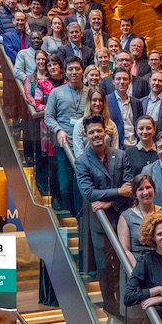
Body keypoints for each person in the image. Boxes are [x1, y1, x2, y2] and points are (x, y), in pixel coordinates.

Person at [75, 114, 133, 312]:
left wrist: (110, 203)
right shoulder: (82, 161)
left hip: (122, 219)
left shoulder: (121, 155)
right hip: (100, 225)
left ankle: (125, 307)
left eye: (99, 130)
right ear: (86, 135)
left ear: (105, 132)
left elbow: (129, 188)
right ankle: (111, 310)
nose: (96, 135)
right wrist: (118, 192)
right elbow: (88, 193)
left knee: (124, 264)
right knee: (105, 268)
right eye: (91, 132)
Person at [45, 55, 88, 217]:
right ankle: (76, 215)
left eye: (77, 69)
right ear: (65, 72)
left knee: (83, 185)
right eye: (70, 69)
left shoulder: (90, 92)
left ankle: (82, 219)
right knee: (65, 186)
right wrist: (58, 130)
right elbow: (49, 117)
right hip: (64, 145)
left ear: (82, 71)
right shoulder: (56, 93)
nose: (74, 72)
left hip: (85, 146)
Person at [34, 54, 65, 208]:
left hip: (67, 127)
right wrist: (52, 109)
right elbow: (37, 104)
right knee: (53, 165)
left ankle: (66, 197)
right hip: (49, 130)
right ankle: (55, 197)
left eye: (55, 64)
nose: (52, 67)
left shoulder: (68, 82)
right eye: (49, 65)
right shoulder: (42, 84)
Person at [118, 177, 162, 267]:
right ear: (135, 194)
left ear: (154, 190)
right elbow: (125, 250)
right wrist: (138, 271)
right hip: (138, 264)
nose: (145, 192)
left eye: (148, 187)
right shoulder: (126, 216)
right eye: (141, 189)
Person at [72, 86, 119, 158]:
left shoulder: (111, 125)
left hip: (108, 163)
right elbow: (79, 153)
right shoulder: (79, 125)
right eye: (94, 100)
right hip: (87, 163)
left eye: (100, 100)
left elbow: (115, 151)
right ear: (89, 102)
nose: (97, 103)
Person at [106, 67, 144, 148]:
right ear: (113, 81)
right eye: (118, 79)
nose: (122, 82)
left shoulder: (137, 103)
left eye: (125, 79)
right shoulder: (106, 101)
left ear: (129, 82)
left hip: (134, 146)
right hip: (116, 146)